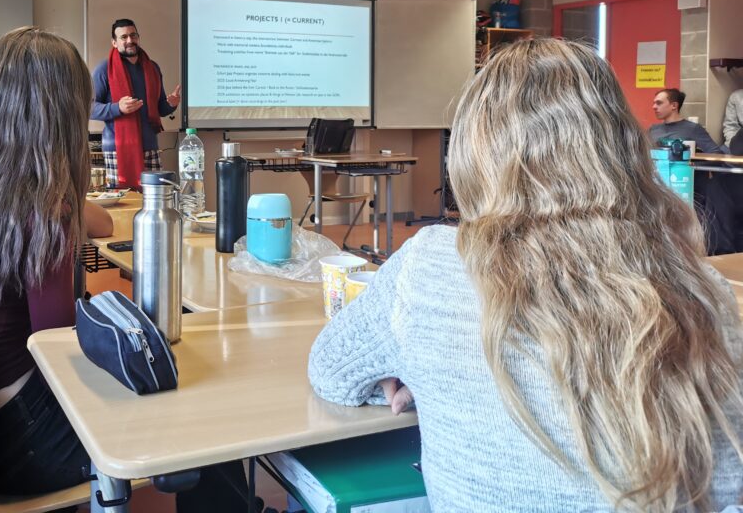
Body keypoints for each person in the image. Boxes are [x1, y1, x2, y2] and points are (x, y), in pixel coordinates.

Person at [309, 39, 743, 512]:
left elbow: (331, 373)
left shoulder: (430, 267)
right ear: (623, 146)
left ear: (477, 149)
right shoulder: (707, 293)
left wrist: (419, 368)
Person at [0, 28, 245, 508]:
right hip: (21, 441)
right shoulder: (39, 210)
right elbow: (65, 352)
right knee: (211, 405)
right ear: (62, 113)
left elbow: (99, 222)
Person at [91, 18, 181, 189]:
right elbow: (88, 108)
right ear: (114, 43)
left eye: (133, 35)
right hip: (118, 148)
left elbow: (160, 108)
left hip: (150, 146)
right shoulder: (104, 69)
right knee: (124, 201)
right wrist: (117, 108)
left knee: (154, 199)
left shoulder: (152, 67)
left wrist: (171, 104)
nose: (130, 41)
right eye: (123, 37)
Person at [649, 87, 726, 153]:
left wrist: (692, 165)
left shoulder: (693, 129)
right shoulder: (653, 129)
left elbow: (716, 154)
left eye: (659, 103)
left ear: (674, 105)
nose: (654, 107)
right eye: (654, 103)